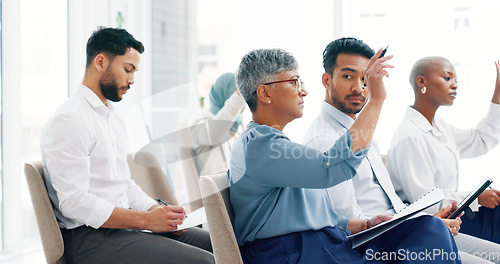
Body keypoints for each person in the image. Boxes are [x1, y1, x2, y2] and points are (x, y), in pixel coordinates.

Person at [229, 48, 461, 263]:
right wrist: (377, 99)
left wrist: (366, 224)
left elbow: (319, 216)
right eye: (293, 82)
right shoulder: (258, 145)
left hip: (320, 244)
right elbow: (332, 168)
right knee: (429, 234)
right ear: (264, 93)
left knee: (428, 229)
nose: (304, 90)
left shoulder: (275, 146)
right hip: (289, 253)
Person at [303, 37, 500, 263]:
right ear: (326, 80)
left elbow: (390, 204)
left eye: (366, 79)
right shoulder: (324, 140)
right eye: (348, 76)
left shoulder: (364, 132)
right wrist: (420, 226)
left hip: (407, 230)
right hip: (382, 245)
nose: (359, 87)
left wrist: (426, 221)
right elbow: (351, 226)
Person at [40, 27, 214, 264]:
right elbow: (74, 203)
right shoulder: (70, 120)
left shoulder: (110, 118)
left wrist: (155, 212)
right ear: (101, 62)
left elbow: (124, 185)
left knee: (221, 244)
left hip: (123, 229)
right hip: (90, 239)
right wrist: (144, 220)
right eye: (127, 69)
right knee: (205, 262)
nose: (132, 80)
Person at [386, 56, 500, 244]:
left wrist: (498, 95)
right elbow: (426, 203)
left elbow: (481, 140)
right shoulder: (409, 136)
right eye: (447, 78)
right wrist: (476, 197)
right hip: (430, 225)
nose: (454, 85)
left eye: (456, 80)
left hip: (453, 216)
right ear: (421, 82)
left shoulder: (442, 129)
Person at [189, 72, 246, 177]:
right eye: (240, 97)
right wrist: (238, 97)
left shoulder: (237, 130)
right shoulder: (201, 119)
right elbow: (213, 135)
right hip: (215, 191)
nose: (244, 103)